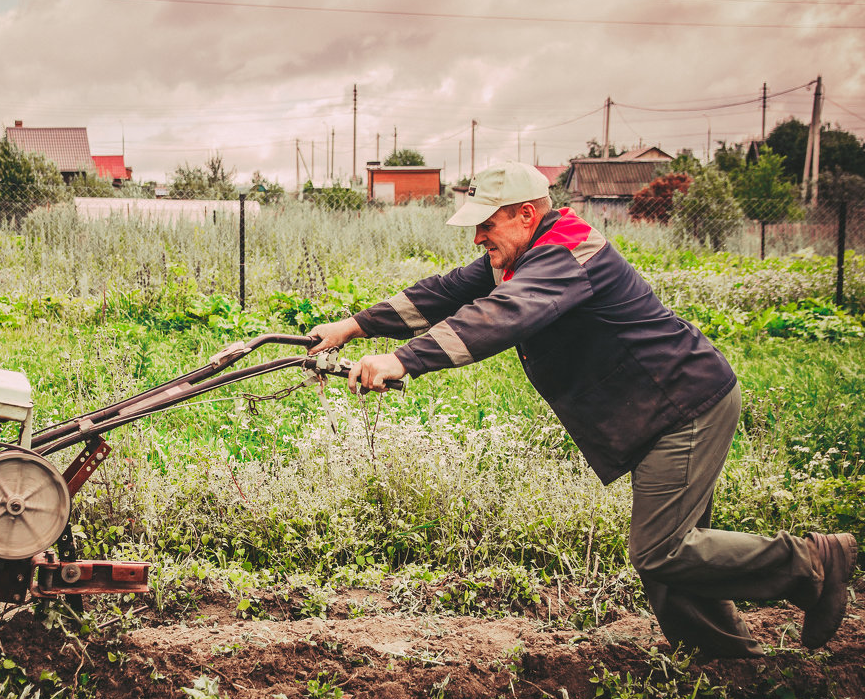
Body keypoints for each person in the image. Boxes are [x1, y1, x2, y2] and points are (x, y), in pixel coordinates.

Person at [308, 161, 857, 658]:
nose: (477, 237)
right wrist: (352, 326)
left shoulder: (565, 252)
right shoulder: (522, 252)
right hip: (654, 408)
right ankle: (727, 663)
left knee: (662, 550)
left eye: (486, 224)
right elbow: (441, 292)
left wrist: (404, 360)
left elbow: (501, 317)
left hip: (682, 404)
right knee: (673, 564)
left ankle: (811, 563)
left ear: (526, 215)